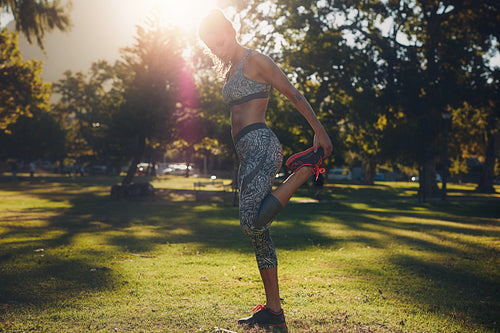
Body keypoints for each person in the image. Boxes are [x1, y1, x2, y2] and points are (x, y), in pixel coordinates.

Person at [199, 9, 333, 331]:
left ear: (231, 31)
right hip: (247, 155)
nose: (217, 48)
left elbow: (292, 94)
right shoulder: (230, 69)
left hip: (262, 146)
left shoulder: (255, 60)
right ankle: (274, 312)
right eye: (211, 46)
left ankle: (302, 172)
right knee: (260, 234)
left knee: (250, 223)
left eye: (219, 40)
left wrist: (319, 131)